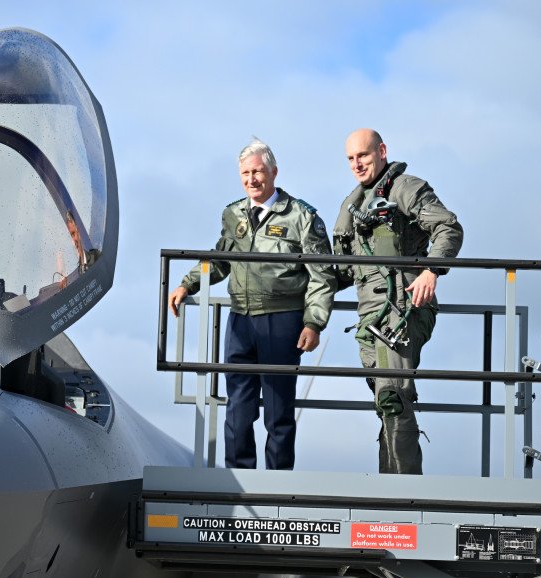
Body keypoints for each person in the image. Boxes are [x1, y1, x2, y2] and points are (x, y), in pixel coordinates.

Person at [168, 139, 335, 470]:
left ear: (273, 171)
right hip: (241, 320)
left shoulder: (301, 216)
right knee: (238, 410)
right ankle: (240, 481)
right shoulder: (233, 214)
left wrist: (314, 323)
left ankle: (276, 484)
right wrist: (188, 284)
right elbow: (220, 259)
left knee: (278, 412)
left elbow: (322, 274)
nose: (251, 179)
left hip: (283, 321)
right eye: (245, 173)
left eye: (257, 171)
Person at [332, 129, 463, 475]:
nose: (357, 164)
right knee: (386, 401)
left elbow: (448, 228)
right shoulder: (353, 204)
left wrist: (431, 270)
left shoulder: (405, 188)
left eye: (363, 155)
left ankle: (404, 492)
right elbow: (342, 271)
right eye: (350, 158)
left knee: (392, 397)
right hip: (369, 320)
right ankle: (389, 488)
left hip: (402, 310)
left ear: (382, 151)